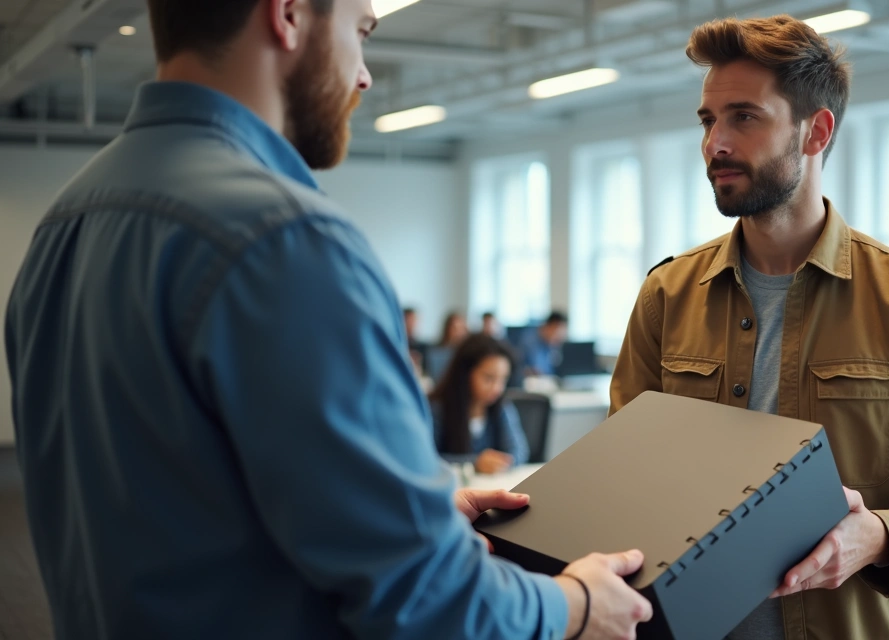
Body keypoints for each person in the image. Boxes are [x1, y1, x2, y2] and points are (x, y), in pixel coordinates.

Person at [3, 1, 651, 638]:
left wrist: (404, 513)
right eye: (360, 32)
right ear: (287, 16)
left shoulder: (64, 224)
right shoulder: (287, 239)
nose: (365, 74)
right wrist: (575, 605)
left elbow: (168, 503)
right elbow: (429, 604)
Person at [609, 15, 889, 639]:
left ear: (816, 131)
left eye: (745, 116)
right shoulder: (667, 294)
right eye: (709, 120)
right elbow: (621, 476)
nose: (716, 143)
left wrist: (876, 536)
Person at [431, 335, 529, 473]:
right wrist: (474, 463)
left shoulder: (501, 406)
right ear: (465, 373)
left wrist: (503, 462)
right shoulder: (437, 409)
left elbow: (519, 451)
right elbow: (427, 459)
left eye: (503, 379)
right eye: (489, 378)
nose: (497, 388)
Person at [521, 311, 569, 376]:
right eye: (558, 334)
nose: (559, 339)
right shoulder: (530, 341)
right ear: (550, 327)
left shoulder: (549, 344)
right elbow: (538, 370)